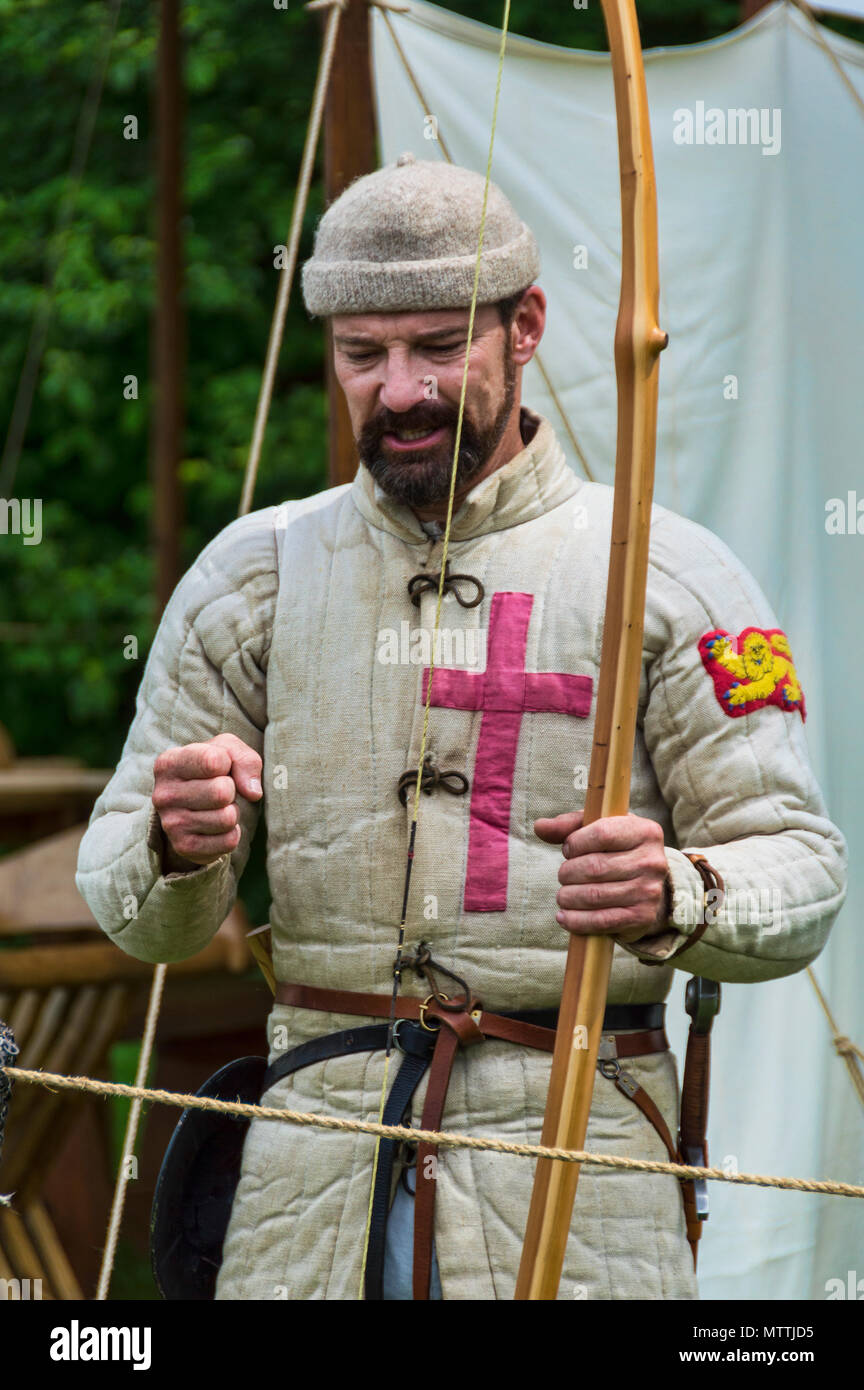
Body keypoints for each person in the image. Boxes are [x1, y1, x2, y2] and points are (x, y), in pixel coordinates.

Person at [76, 155, 847, 1301]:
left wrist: (677, 891)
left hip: (576, 1175)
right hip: (310, 1186)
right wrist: (177, 842)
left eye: (440, 347)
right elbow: (128, 907)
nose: (398, 389)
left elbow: (803, 870)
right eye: (362, 354)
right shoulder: (256, 576)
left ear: (524, 325)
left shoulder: (665, 572)